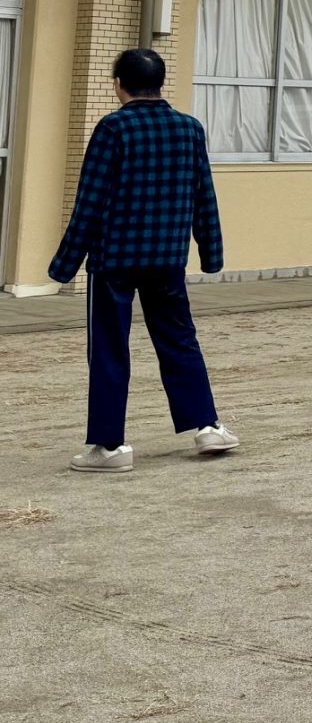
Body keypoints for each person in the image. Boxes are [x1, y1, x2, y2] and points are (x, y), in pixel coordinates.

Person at [49, 47, 236, 471]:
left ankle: (109, 447)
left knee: (110, 350)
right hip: (167, 257)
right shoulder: (189, 129)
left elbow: (90, 202)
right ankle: (206, 427)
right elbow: (204, 195)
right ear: (160, 82)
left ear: (119, 84)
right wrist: (211, 253)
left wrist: (63, 265)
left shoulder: (113, 128)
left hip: (114, 259)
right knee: (179, 339)